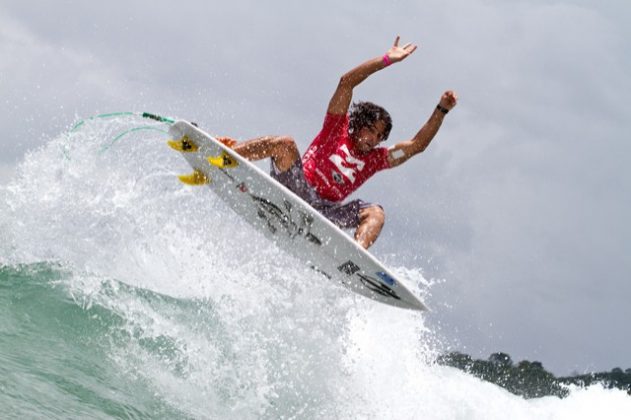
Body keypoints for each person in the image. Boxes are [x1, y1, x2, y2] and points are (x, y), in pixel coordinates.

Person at [221, 37, 458, 249]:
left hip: (325, 213)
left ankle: (355, 256)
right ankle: (225, 155)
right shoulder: (337, 127)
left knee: (376, 212)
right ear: (358, 124)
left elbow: (417, 145)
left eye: (379, 136)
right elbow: (347, 82)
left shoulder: (376, 160)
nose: (373, 139)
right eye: (371, 131)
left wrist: (442, 110)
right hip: (295, 187)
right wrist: (386, 59)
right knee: (285, 143)